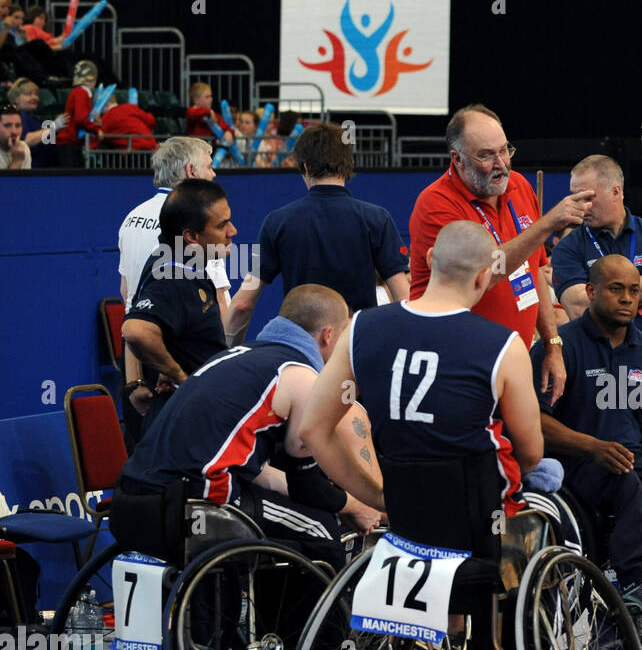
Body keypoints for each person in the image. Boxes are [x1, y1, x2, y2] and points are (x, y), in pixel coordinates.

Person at [300, 221, 544, 650]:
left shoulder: (362, 327)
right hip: (484, 530)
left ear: (428, 259)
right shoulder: (503, 346)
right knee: (529, 514)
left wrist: (374, 493)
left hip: (406, 520)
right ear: (484, 279)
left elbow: (313, 430)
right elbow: (533, 451)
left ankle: (458, 644)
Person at [113, 285, 380, 574]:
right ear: (329, 336)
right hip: (188, 510)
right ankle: (313, 621)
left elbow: (258, 472)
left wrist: (350, 503)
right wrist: (354, 506)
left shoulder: (240, 356)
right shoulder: (300, 376)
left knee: (283, 508)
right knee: (321, 528)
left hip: (130, 502)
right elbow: (308, 487)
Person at [535, 254, 642, 622]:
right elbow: (534, 422)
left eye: (634, 291)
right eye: (616, 289)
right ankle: (637, 581)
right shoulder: (561, 348)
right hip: (573, 461)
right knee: (624, 479)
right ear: (591, 292)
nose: (627, 298)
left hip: (629, 456)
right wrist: (591, 446)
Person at [408, 104, 592, 404]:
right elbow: (483, 273)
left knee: (523, 448)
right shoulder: (435, 204)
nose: (501, 164)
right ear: (457, 159)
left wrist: (552, 345)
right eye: (486, 155)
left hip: (511, 362)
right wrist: (547, 225)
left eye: (505, 150)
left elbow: (532, 273)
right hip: (455, 366)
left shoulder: (518, 185)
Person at [224, 123, 410, 341]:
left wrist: (226, 357)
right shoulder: (378, 219)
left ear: (305, 167)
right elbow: (404, 298)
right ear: (348, 165)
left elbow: (242, 305)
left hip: (299, 347)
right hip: (355, 346)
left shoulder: (276, 222)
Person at [122, 179, 236, 434]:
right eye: (222, 225)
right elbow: (135, 329)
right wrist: (180, 376)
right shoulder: (172, 275)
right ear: (192, 237)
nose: (233, 231)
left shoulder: (183, 261)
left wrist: (164, 367)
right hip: (189, 426)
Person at [550, 154, 642, 356]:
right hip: (598, 366)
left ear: (615, 191)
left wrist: (601, 293)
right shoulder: (569, 246)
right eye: (574, 198)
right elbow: (578, 305)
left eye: (588, 198)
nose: (580, 206)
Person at [53, 60, 98, 167]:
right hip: (68, 143)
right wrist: (96, 129)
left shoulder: (79, 92)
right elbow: (80, 118)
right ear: (93, 78)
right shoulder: (81, 92)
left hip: (70, 142)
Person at [1, 101, 30, 169]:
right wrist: (16, 162)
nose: (14, 131)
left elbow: (25, 180)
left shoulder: (23, 148)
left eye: (18, 125)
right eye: (7, 126)